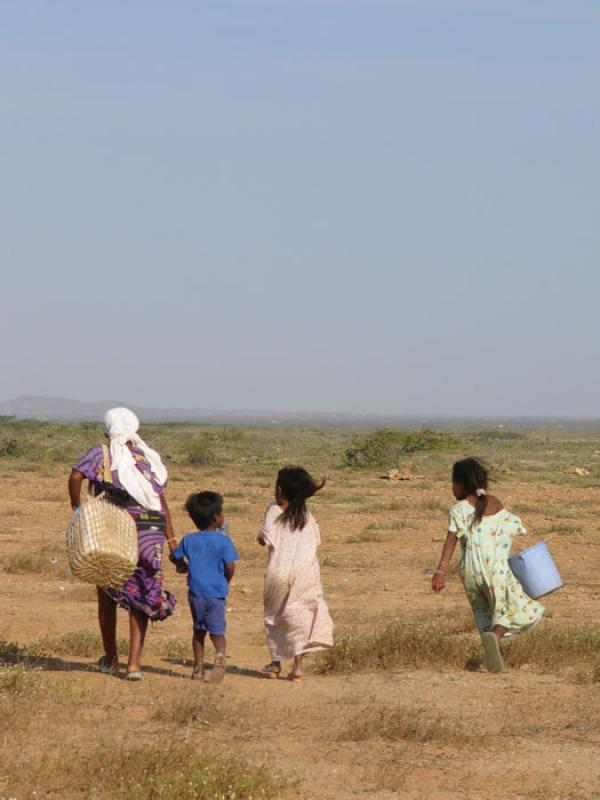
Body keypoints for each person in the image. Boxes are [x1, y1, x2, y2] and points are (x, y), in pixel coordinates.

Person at [68, 407, 177, 680]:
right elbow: (160, 502)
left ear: (107, 431)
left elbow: (75, 476)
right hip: (152, 530)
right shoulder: (147, 458)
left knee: (106, 592)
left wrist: (77, 510)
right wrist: (172, 541)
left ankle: (112, 659)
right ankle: (135, 664)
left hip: (118, 528)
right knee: (141, 592)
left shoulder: (102, 454)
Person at [432, 457, 544, 673]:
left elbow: (450, 542)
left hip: (470, 573)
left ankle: (495, 657)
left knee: (483, 612)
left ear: (462, 484)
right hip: (496, 571)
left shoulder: (458, 510)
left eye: (453, 482)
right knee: (509, 607)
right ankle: (497, 635)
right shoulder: (494, 503)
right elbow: (516, 526)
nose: (452, 488)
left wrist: (440, 572)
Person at [257, 466, 334, 681]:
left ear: (280, 490)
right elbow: (315, 541)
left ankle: (275, 665)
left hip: (278, 574)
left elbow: (264, 539)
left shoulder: (274, 511)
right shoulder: (307, 516)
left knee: (274, 618)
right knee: (299, 618)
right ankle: (298, 668)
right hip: (306, 574)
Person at [170, 491, 239, 683]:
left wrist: (181, 565)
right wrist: (226, 580)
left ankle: (198, 668)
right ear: (217, 518)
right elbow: (230, 565)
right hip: (216, 593)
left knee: (198, 631)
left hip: (196, 593)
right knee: (217, 631)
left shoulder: (189, 540)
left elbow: (173, 556)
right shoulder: (224, 541)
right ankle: (220, 655)